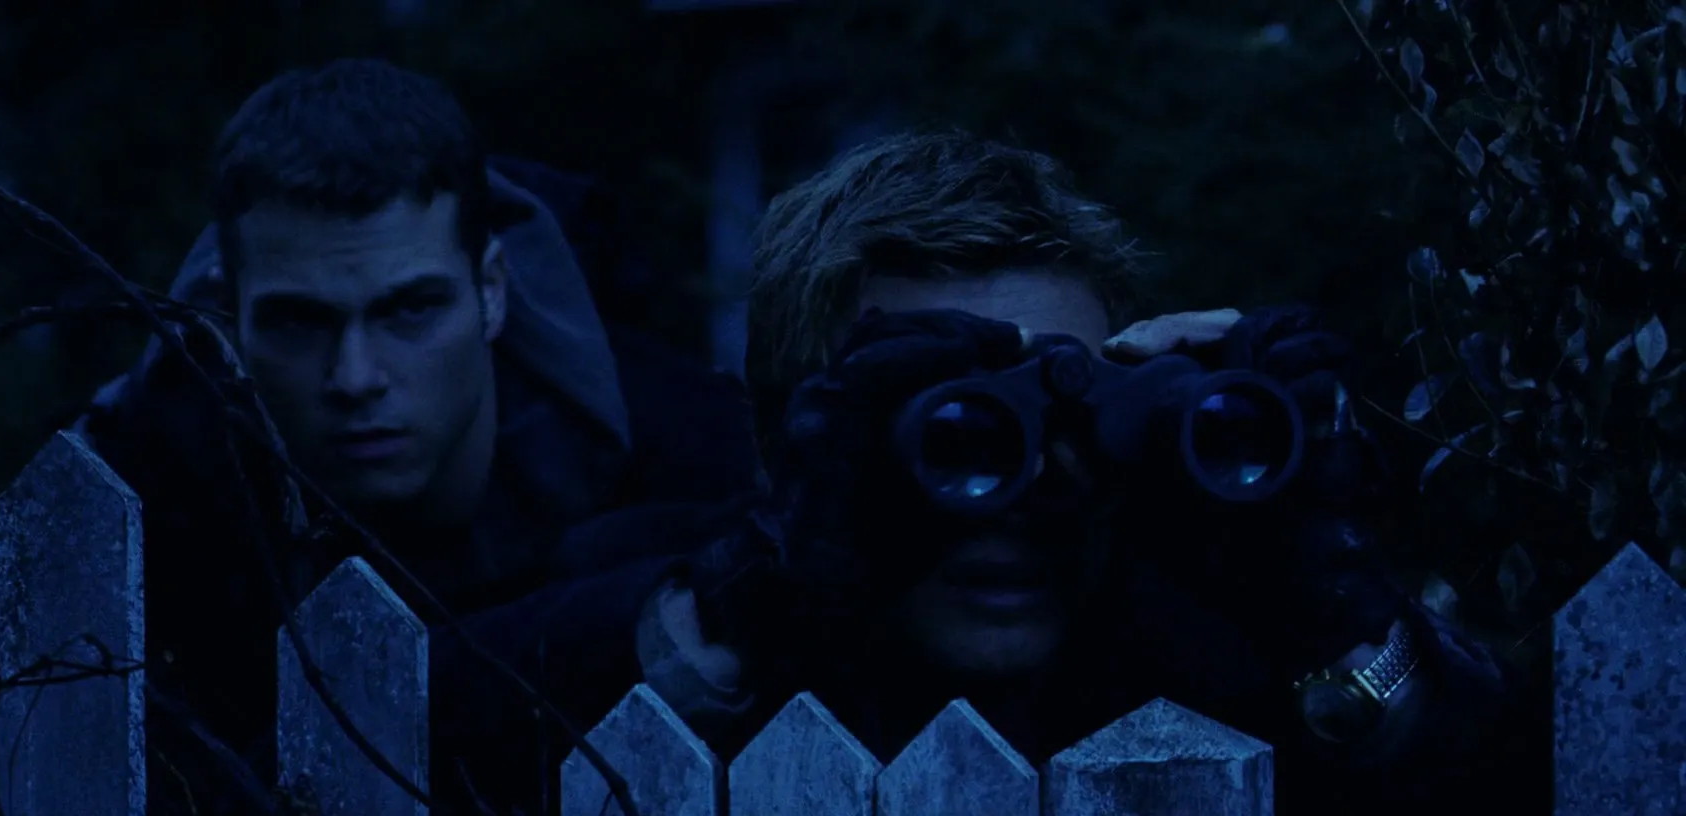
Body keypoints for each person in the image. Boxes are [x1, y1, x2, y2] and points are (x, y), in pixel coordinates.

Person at [623, 131, 1513, 811]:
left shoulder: (1212, 656)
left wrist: (1332, 616)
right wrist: (767, 586)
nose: (1021, 496)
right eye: (955, 429)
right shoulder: (685, 611)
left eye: (1070, 420)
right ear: (789, 439)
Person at [72, 58, 760, 814]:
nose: (354, 377)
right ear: (225, 317)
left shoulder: (683, 455)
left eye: (409, 310)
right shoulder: (138, 495)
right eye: (300, 321)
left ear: (491, 291)